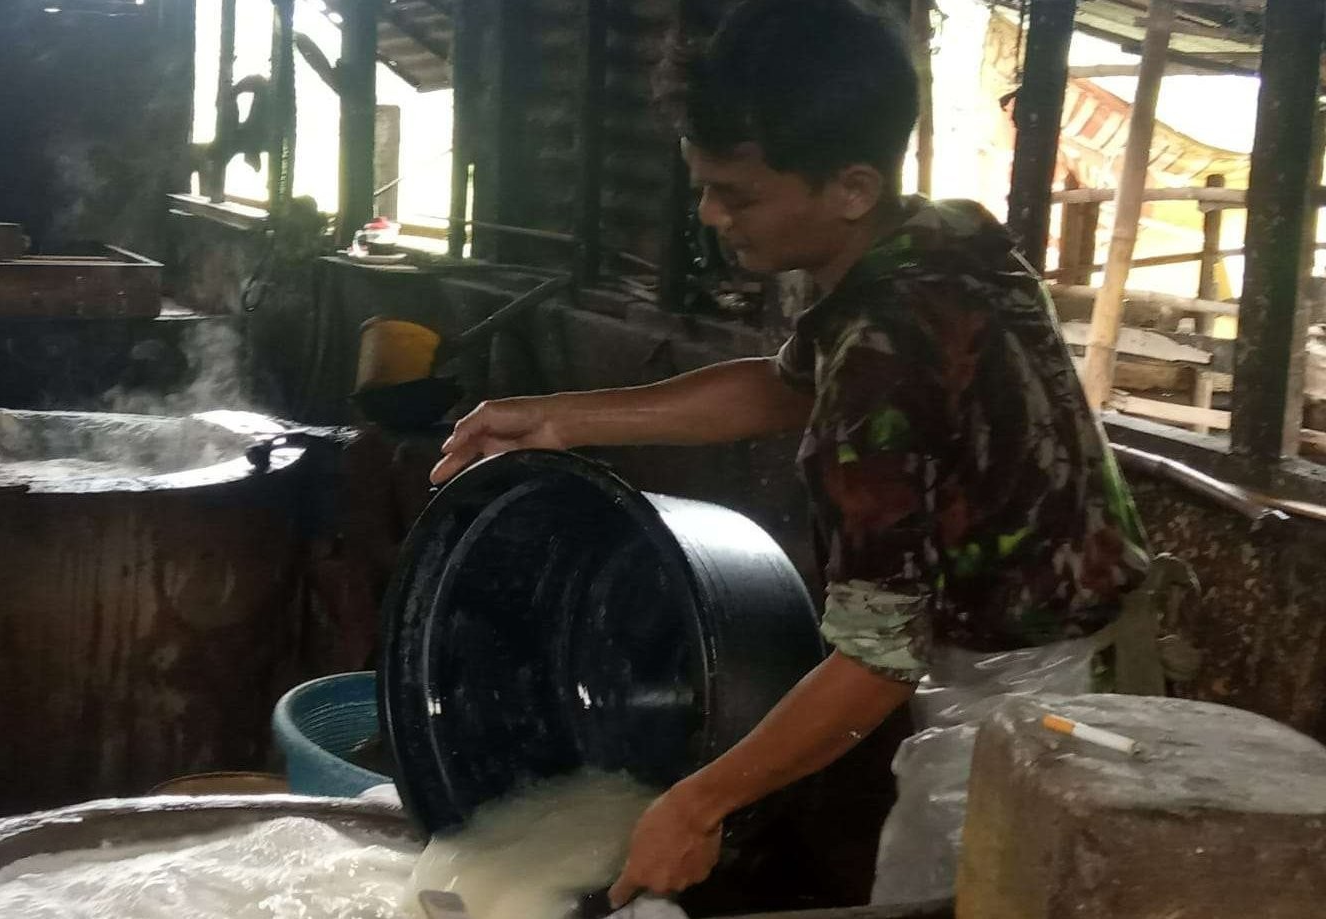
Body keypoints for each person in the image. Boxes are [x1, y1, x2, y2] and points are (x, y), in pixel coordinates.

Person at [430, 0, 1150, 907]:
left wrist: (698, 803)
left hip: (1036, 695)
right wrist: (562, 419)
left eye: (738, 193)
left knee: (951, 895)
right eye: (704, 184)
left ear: (849, 187)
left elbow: (877, 659)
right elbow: (786, 381)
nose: (711, 213)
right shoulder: (936, 237)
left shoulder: (886, 360)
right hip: (1062, 642)